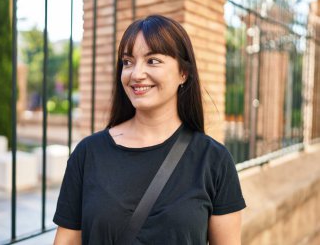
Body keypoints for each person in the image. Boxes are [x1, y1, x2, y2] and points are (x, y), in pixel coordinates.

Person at [53, 14, 246, 245]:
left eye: (152, 60)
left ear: (183, 73)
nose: (136, 74)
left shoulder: (213, 160)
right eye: (127, 62)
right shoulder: (88, 153)